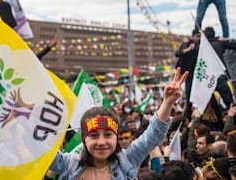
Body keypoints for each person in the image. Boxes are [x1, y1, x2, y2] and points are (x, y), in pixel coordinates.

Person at [48, 68, 188, 179]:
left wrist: (167, 102)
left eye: (108, 135)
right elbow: (35, 147)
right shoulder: (68, 163)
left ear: (116, 137)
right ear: (84, 139)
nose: (101, 142)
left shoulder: (126, 160)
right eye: (94, 135)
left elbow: (152, 137)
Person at [175, 29, 201, 119]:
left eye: (200, 36)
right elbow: (178, 53)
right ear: (192, 37)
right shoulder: (187, 43)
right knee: (189, 95)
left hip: (198, 74)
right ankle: (188, 116)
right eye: (197, 36)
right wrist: (188, 48)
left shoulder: (201, 45)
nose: (199, 38)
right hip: (188, 73)